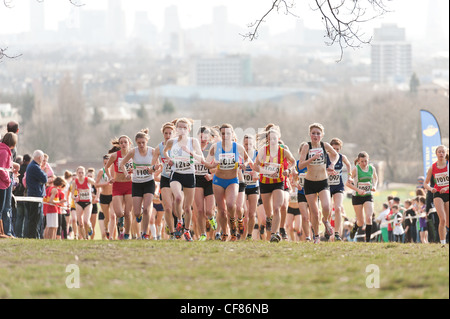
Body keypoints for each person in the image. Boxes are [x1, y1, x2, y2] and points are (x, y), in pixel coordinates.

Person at [203, 123, 251, 241]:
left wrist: (243, 165)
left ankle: (233, 225)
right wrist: (213, 165)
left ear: (232, 134)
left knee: (230, 205)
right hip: (218, 181)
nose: (225, 136)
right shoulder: (215, 147)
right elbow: (208, 164)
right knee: (222, 210)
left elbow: (247, 159)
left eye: (228, 133)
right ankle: (225, 232)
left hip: (232, 180)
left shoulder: (238, 147)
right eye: (223, 133)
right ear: (221, 134)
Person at [164, 118, 204, 242]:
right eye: (179, 127)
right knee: (178, 198)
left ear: (189, 129)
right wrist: (169, 159)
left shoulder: (193, 141)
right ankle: (180, 222)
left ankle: (187, 231)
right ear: (176, 129)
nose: (182, 129)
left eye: (184, 127)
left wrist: (190, 152)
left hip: (189, 175)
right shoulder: (172, 141)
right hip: (176, 174)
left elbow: (201, 158)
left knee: (187, 208)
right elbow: (165, 151)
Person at [253, 125, 296, 243]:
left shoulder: (283, 151)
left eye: (274, 138)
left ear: (278, 138)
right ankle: (271, 225)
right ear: (267, 139)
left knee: (277, 208)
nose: (272, 141)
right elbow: (255, 166)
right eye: (270, 138)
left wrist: (289, 170)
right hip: (265, 183)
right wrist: (266, 171)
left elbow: (293, 162)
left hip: (279, 182)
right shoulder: (263, 150)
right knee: (269, 213)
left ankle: (274, 234)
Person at [298, 123, 339, 244]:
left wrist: (332, 164)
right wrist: (312, 158)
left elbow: (335, 155)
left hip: (323, 181)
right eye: (313, 133)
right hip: (310, 182)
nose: (315, 135)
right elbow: (300, 165)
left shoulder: (324, 145)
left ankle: (325, 221)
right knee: (314, 213)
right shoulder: (307, 146)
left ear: (322, 135)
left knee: (326, 206)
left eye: (318, 133)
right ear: (310, 135)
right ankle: (316, 236)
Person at [120, 129, 161, 240]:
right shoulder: (133, 152)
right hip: (137, 183)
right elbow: (122, 164)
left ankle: (144, 234)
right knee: (137, 212)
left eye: (143, 142)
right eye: (139, 143)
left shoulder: (152, 151)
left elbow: (159, 166)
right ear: (136, 142)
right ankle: (140, 216)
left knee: (147, 209)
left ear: (146, 141)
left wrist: (153, 170)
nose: (141, 145)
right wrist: (127, 174)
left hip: (149, 182)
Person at [104, 136, 134, 240]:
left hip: (130, 185)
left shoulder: (133, 154)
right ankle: (120, 222)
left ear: (129, 143)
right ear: (119, 144)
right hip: (117, 185)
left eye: (125, 142)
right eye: (121, 143)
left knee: (127, 213)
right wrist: (110, 177)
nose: (123, 144)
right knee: (119, 213)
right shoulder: (115, 156)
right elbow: (106, 167)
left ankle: (126, 234)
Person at [346, 151, 378, 243]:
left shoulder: (372, 168)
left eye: (366, 161)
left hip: (368, 196)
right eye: (362, 161)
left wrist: (374, 186)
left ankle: (368, 241)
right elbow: (347, 183)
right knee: (360, 222)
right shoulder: (356, 169)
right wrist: (358, 190)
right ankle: (354, 228)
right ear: (358, 161)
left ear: (368, 160)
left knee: (369, 218)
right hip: (357, 197)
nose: (364, 163)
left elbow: (376, 178)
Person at [153, 122, 177, 239]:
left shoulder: (179, 146)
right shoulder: (160, 147)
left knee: (177, 207)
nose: (168, 135)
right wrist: (155, 167)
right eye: (166, 133)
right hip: (165, 178)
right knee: (168, 207)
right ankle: (172, 233)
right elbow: (152, 164)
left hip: (178, 178)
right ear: (163, 134)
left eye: (170, 133)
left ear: (173, 134)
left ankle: (177, 223)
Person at [194, 126, 217, 241]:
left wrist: (212, 174)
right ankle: (203, 234)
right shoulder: (193, 148)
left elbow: (218, 165)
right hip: (197, 180)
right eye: (201, 137)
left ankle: (212, 218)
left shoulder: (212, 148)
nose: (203, 139)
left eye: (205, 137)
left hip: (209, 180)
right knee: (199, 210)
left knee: (209, 211)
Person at [327, 138, 352, 241]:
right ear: (329, 149)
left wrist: (349, 176)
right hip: (327, 187)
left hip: (338, 186)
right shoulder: (325, 157)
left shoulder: (342, 157)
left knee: (337, 208)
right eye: (333, 149)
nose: (335, 151)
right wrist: (327, 172)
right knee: (327, 210)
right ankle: (327, 228)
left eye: (337, 149)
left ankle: (337, 233)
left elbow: (349, 165)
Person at [424, 145, 449, 245]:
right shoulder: (433, 167)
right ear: (436, 154)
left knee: (448, 222)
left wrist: (447, 187)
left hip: (448, 193)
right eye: (439, 152)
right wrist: (431, 188)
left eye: (443, 152)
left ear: (446, 153)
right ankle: (442, 243)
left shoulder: (448, 165)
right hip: (438, 194)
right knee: (442, 219)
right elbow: (425, 183)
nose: (441, 154)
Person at [24, 150, 48, 239]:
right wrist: (44, 171)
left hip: (35, 195)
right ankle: (33, 236)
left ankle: (35, 236)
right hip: (35, 195)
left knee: (36, 218)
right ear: (40, 158)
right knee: (35, 218)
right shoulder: (35, 167)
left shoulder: (32, 166)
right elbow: (45, 179)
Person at [71, 166, 97, 240]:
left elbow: (97, 185)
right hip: (79, 203)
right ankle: (85, 238)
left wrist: (97, 196)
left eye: (82, 172)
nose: (81, 174)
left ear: (84, 173)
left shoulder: (88, 179)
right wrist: (75, 197)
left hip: (88, 203)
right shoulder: (74, 182)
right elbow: (72, 194)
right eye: (79, 173)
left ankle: (89, 227)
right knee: (80, 223)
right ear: (77, 173)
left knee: (86, 221)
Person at [0, 133, 18, 238]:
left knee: (5, 208)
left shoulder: (6, 151)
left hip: (4, 183)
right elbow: (1, 169)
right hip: (2, 184)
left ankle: (6, 232)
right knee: (2, 209)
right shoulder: (4, 152)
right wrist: (8, 180)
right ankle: (5, 232)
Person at [243, 135, 260, 240]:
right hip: (242, 186)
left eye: (250, 144)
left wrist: (256, 174)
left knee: (252, 213)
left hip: (254, 186)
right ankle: (242, 234)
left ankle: (249, 235)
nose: (248, 146)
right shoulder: (240, 154)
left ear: (253, 144)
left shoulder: (257, 154)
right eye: (245, 144)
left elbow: (261, 169)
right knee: (243, 211)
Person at [96, 155, 113, 240]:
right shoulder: (101, 171)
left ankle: (112, 236)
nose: (107, 165)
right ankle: (106, 229)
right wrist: (105, 184)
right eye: (105, 163)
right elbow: (96, 184)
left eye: (108, 163)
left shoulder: (114, 171)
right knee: (107, 217)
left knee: (113, 215)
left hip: (112, 196)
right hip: (104, 196)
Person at [14, 153, 31, 238]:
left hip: (17, 195)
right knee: (26, 217)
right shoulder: (29, 169)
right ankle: (25, 235)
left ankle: (17, 234)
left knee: (19, 217)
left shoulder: (19, 169)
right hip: (25, 195)